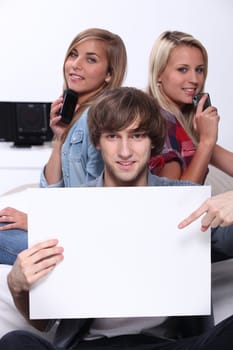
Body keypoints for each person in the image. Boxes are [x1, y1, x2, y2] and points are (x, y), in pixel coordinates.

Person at [1, 86, 233, 350]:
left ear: (153, 141)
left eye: (137, 136)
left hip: (168, 345)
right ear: (97, 141)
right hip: (90, 346)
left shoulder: (186, 200)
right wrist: (18, 288)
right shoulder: (69, 207)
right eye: (113, 136)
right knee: (15, 342)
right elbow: (45, 323)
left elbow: (229, 242)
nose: (125, 151)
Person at [0, 28, 127, 265]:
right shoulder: (79, 119)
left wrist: (37, 222)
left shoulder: (101, 120)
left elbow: (99, 207)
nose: (75, 65)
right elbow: (52, 193)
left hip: (85, 241)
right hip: (69, 230)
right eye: (73, 54)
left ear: (109, 74)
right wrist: (59, 138)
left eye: (91, 59)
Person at [147, 30, 233, 262]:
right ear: (159, 74)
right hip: (177, 238)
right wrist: (206, 142)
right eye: (182, 69)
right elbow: (178, 205)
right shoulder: (155, 122)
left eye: (199, 69)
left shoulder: (185, 123)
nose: (194, 79)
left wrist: (206, 138)